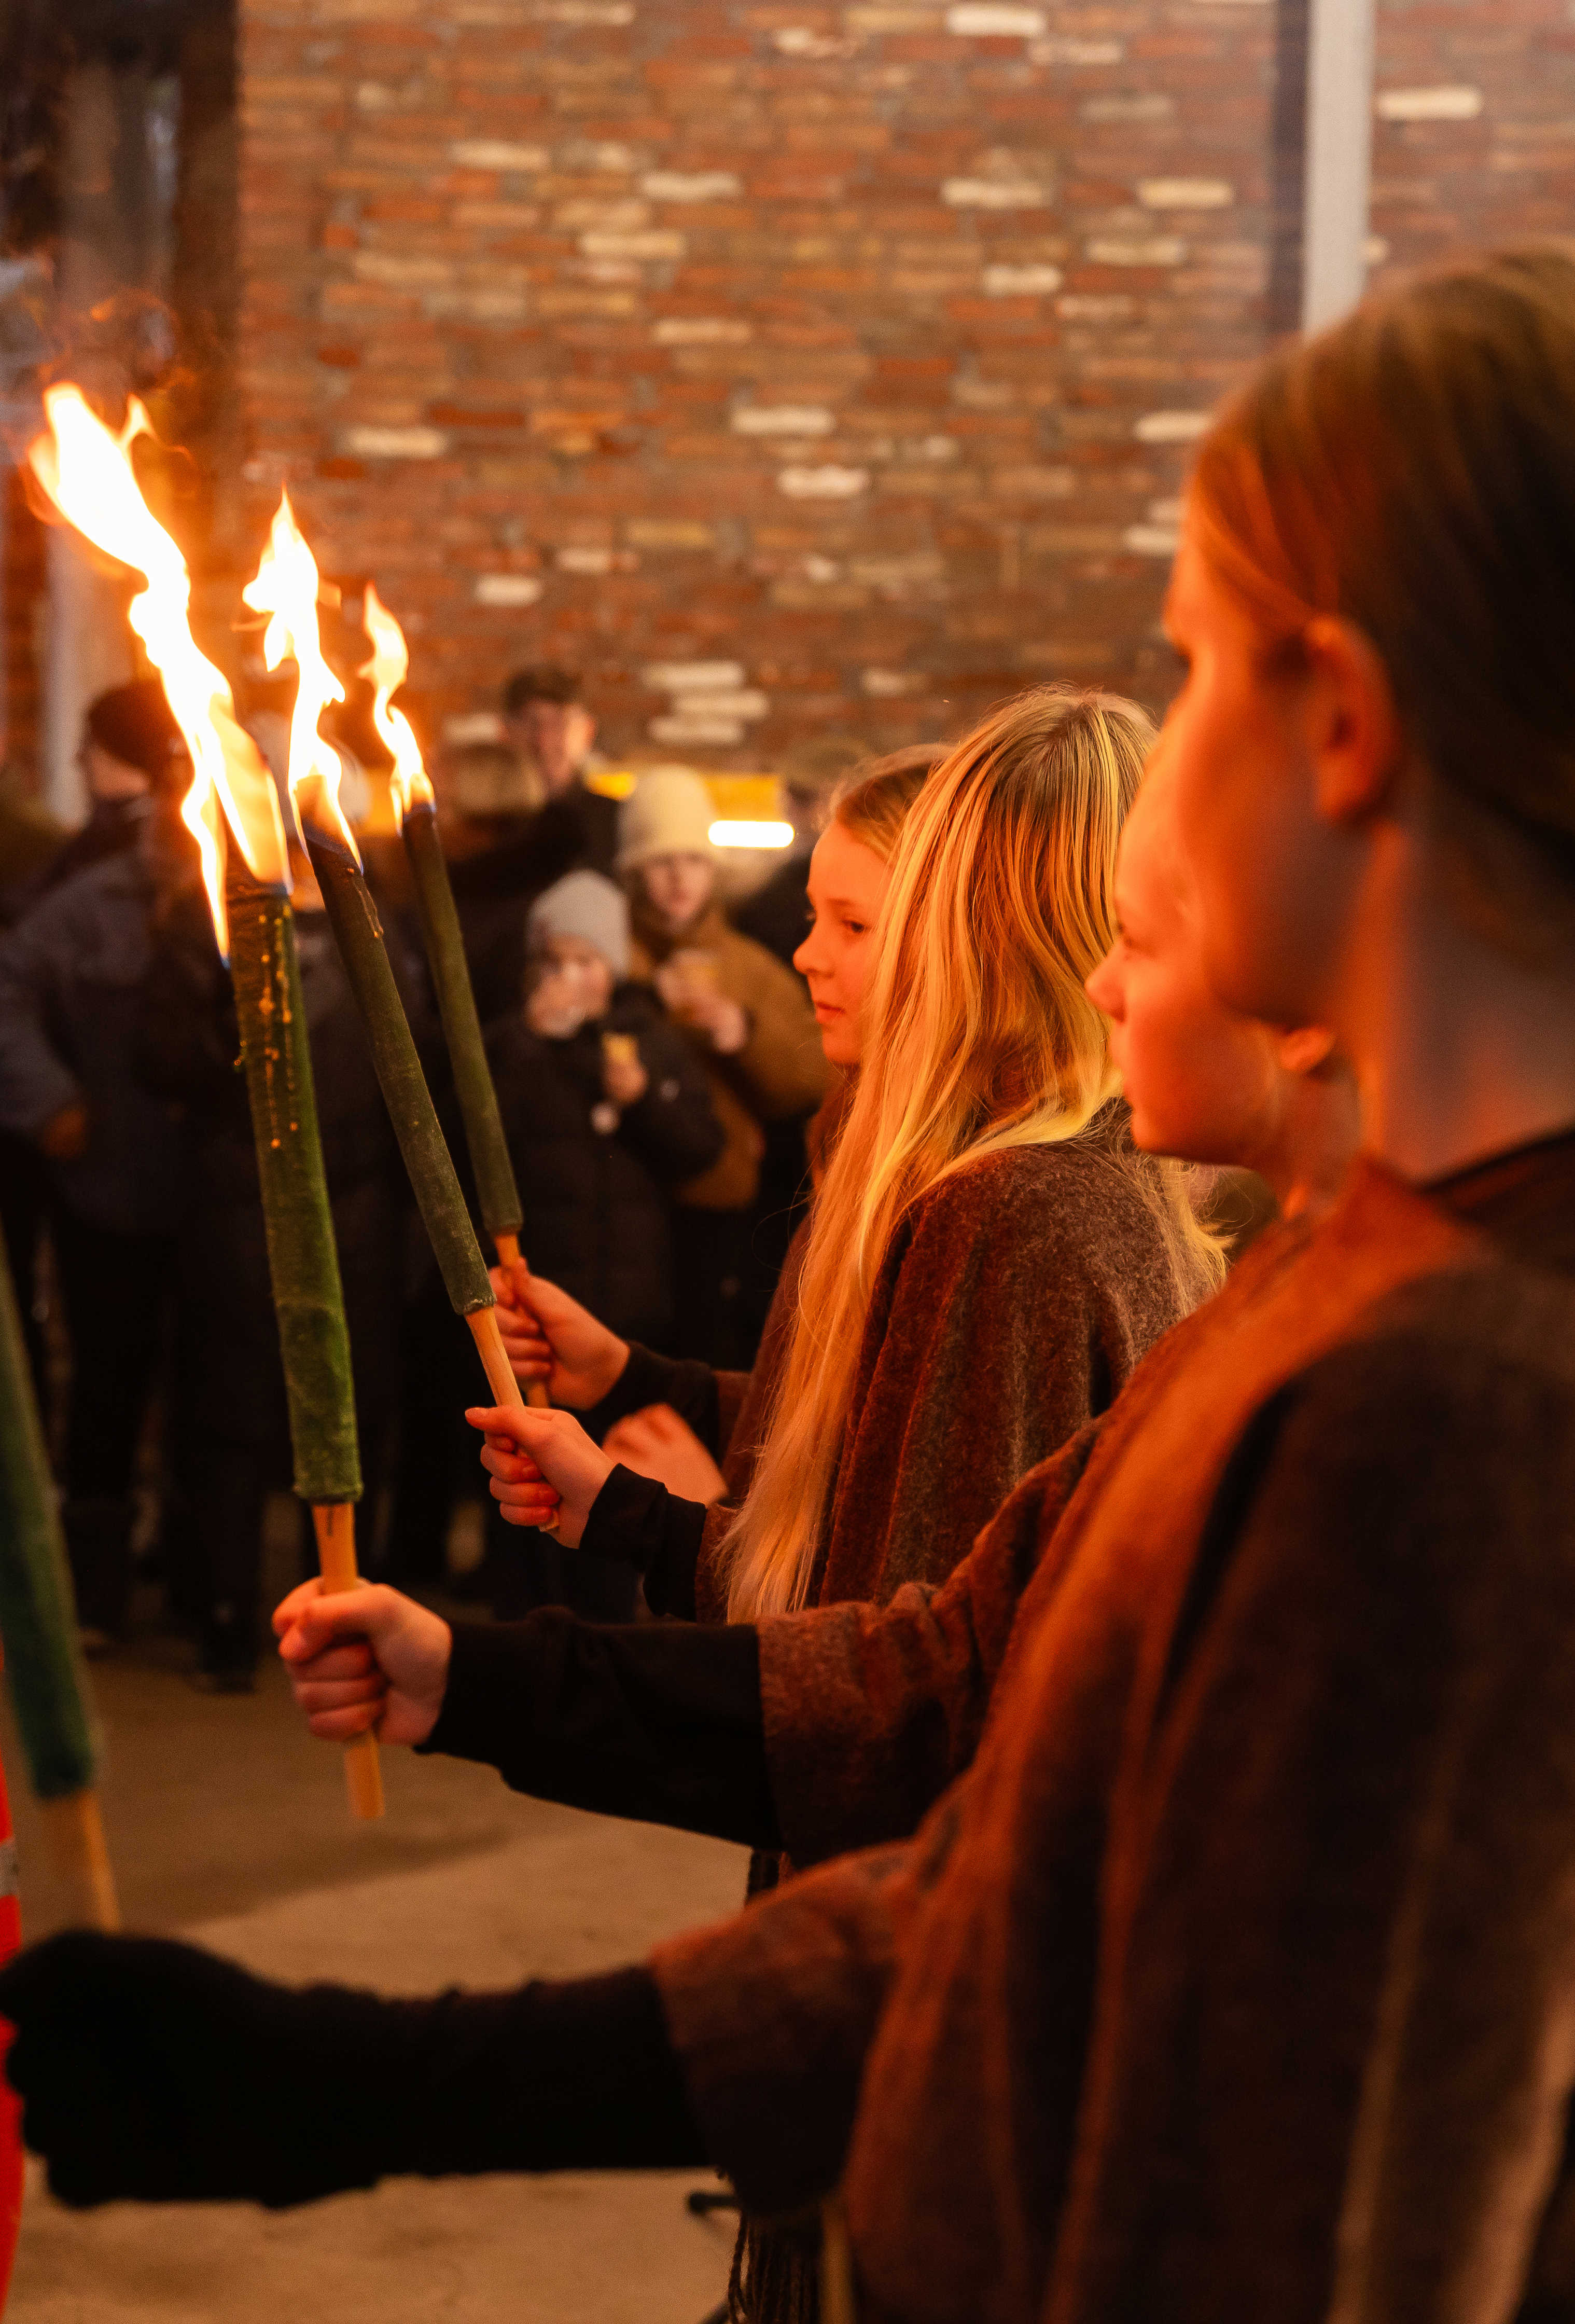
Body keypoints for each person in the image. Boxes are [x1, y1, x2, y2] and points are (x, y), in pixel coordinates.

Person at [135, 842, 409, 1687]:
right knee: (233, 1416)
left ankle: (339, 1604)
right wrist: (235, 1024)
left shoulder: (375, 923)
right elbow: (163, 1053)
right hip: (236, 1200)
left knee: (339, 1414)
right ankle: (226, 1611)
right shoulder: (201, 917)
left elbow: (412, 1050)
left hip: (353, 1206)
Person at [481, 870, 724, 1618]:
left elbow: (702, 1147)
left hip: (628, 1302)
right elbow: (480, 1145)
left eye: (589, 962)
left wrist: (643, 1097)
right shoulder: (512, 1046)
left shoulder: (646, 1039)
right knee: (528, 1466)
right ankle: (524, 1608)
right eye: (557, 962)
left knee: (613, 1475)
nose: (573, 980)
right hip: (538, 1294)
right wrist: (527, 1044)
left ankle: (607, 1612)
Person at [0, 740, 196, 1646]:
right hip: (107, 1193)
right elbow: (8, 996)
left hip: (217, 1203)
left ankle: (202, 1589)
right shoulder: (86, 906)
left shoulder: (254, 899)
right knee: (107, 1395)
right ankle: (97, 1596)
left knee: (206, 1396)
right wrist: (50, 1103)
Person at [618, 765, 829, 1366]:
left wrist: (744, 1034)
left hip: (721, 1219)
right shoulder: (606, 962)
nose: (679, 879)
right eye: (661, 862)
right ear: (636, 871)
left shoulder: (749, 968)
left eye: (693, 860)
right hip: (627, 1216)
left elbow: (812, 1076)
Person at [501, 664, 618, 878]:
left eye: (559, 723)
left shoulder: (619, 823)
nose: (543, 740)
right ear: (505, 732)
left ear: (587, 732)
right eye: (530, 723)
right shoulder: (486, 827)